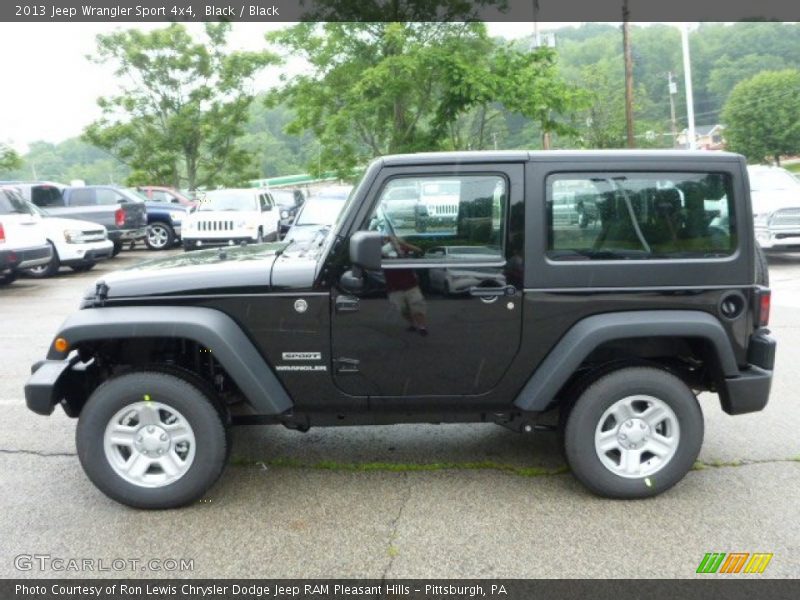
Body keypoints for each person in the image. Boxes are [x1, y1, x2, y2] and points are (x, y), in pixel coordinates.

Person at [382, 235, 429, 336]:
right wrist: (387, 243)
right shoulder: (383, 251)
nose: (391, 242)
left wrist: (401, 243)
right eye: (388, 240)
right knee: (403, 309)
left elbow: (419, 250)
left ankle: (422, 327)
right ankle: (412, 324)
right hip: (394, 288)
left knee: (417, 306)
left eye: (393, 240)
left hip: (411, 285)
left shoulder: (403, 249)